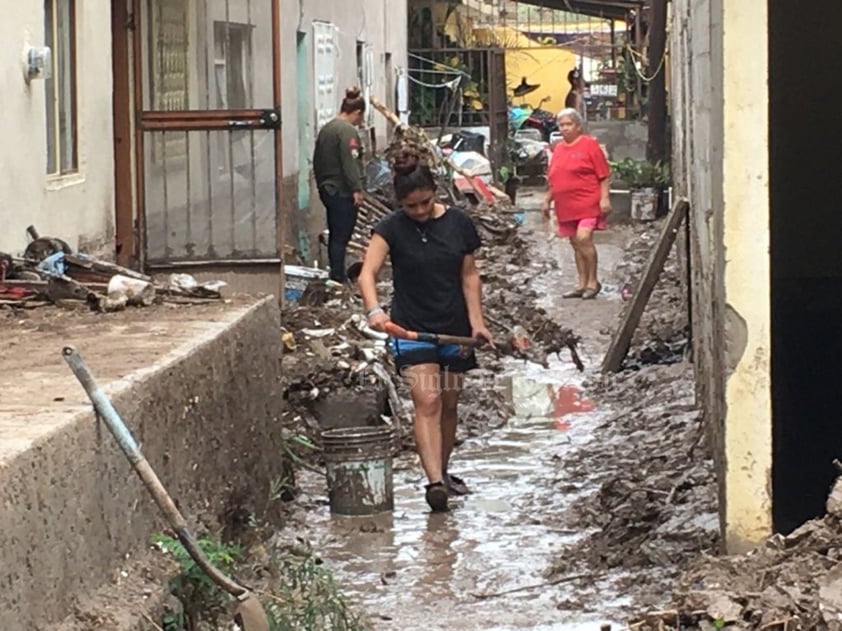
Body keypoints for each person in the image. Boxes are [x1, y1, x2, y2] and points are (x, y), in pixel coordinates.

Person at [357, 149, 494, 512]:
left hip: (454, 332)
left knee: (448, 402)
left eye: (424, 203)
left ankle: (443, 472)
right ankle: (434, 483)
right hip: (411, 330)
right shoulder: (389, 228)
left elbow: (469, 275)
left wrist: (477, 323)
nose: (418, 212)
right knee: (427, 400)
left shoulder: (459, 224)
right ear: (399, 203)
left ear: (436, 193)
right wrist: (374, 309)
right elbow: (366, 273)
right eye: (410, 206)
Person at [541, 107, 611, 300]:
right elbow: (556, 179)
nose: (564, 128)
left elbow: (603, 175)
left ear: (578, 126)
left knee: (583, 238)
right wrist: (547, 200)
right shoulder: (559, 148)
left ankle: (593, 281)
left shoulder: (589, 145)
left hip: (588, 202)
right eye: (561, 125)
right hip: (566, 205)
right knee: (575, 244)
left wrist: (605, 198)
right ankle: (581, 283)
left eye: (568, 124)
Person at [313, 86, 367, 283]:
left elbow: (317, 160)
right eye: (361, 117)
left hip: (327, 189)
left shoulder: (327, 129)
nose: (360, 122)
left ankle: (336, 272)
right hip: (341, 191)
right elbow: (350, 162)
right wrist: (356, 189)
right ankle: (338, 275)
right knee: (341, 236)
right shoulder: (347, 131)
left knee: (336, 233)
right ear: (357, 113)